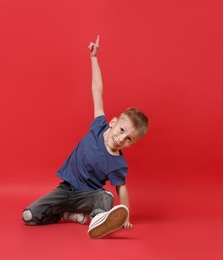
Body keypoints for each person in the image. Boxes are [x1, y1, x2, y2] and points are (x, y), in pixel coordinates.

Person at [22, 36, 149, 239]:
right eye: (122, 131)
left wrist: (125, 214)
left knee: (106, 197)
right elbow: (97, 91)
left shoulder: (117, 163)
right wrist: (94, 57)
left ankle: (97, 220)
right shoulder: (99, 126)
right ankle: (68, 215)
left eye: (129, 140)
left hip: (88, 197)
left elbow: (121, 189)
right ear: (114, 122)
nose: (121, 139)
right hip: (65, 190)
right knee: (28, 215)